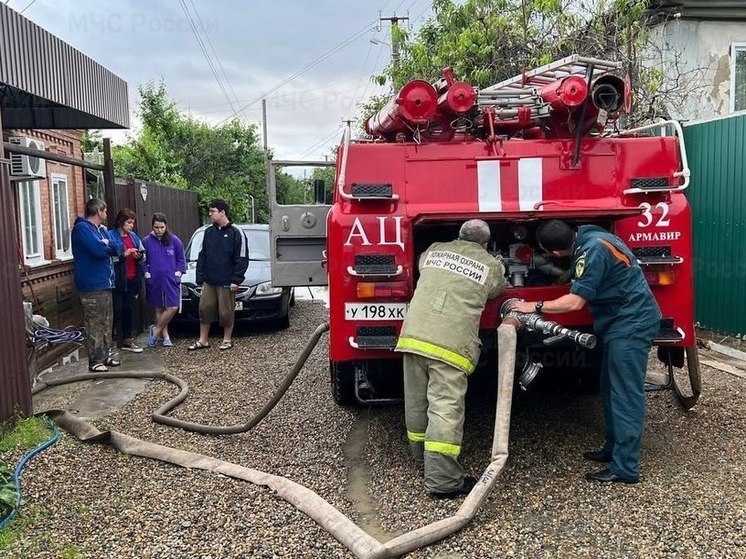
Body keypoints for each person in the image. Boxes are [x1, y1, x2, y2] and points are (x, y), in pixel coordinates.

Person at [509, 219, 661, 484]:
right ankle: (613, 449)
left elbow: (575, 301)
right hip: (620, 323)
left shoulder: (592, 251)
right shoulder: (591, 234)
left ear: (555, 253)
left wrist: (535, 306)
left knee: (625, 395)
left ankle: (625, 468)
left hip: (631, 324)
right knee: (609, 389)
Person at [395, 219, 507, 499]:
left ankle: (424, 464)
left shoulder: (433, 251)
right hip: (449, 346)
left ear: (458, 236)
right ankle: (443, 481)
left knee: (417, 404)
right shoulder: (489, 264)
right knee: (445, 410)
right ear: (485, 244)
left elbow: (424, 266)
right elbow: (498, 288)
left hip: (413, 338)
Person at [188, 198, 249, 352]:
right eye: (209, 211)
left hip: (227, 280)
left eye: (212, 211)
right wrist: (199, 278)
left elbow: (241, 257)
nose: (210, 214)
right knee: (205, 308)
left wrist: (237, 279)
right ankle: (203, 340)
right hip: (209, 279)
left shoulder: (236, 232)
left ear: (222, 212)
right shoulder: (208, 232)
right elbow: (203, 255)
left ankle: (227, 339)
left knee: (226, 311)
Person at [71, 198, 122, 372]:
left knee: (107, 321)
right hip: (91, 285)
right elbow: (98, 251)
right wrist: (107, 246)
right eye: (105, 211)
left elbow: (118, 246)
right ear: (99, 211)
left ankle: (106, 355)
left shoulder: (101, 230)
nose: (106, 214)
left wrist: (108, 244)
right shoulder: (82, 229)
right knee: (94, 322)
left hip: (106, 283)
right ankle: (95, 361)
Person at [142, 213, 186, 347]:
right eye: (156, 227)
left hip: (171, 279)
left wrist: (178, 273)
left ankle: (156, 332)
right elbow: (142, 260)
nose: (159, 230)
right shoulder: (146, 241)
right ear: (152, 227)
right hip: (154, 279)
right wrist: (146, 274)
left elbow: (181, 259)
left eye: (162, 227)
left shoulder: (174, 240)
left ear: (166, 226)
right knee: (159, 308)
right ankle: (166, 337)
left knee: (172, 307)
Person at [108, 209, 146, 354]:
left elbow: (143, 255)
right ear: (121, 221)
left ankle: (127, 339)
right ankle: (111, 340)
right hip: (117, 279)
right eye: (129, 222)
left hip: (132, 278)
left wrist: (138, 256)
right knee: (116, 310)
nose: (131, 226)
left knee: (129, 309)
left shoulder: (134, 237)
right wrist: (124, 254)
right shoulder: (111, 236)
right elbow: (108, 258)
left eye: (133, 223)